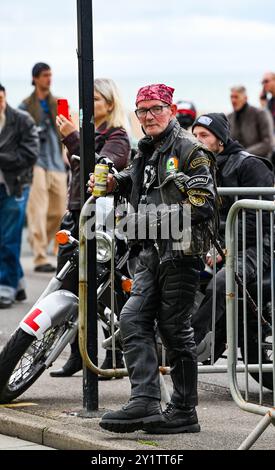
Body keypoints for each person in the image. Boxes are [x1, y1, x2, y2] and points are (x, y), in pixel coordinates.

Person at [88, 83, 219, 434]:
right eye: (142, 111)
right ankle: (144, 400)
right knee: (131, 319)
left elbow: (204, 204)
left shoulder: (192, 150)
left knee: (175, 330)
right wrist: (115, 183)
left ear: (171, 110)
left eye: (155, 109)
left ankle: (183, 411)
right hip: (149, 253)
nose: (148, 117)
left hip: (182, 253)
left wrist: (149, 221)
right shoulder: (145, 149)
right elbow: (139, 180)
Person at [50, 78, 131, 378]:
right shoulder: (89, 133)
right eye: (88, 98)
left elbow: (102, 171)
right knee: (68, 288)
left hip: (102, 221)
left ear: (110, 103)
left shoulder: (119, 137)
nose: (90, 103)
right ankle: (77, 354)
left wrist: (73, 139)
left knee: (105, 292)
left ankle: (114, 353)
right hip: (75, 215)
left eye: (96, 99)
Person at [191, 113, 274, 346]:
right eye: (194, 135)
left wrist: (227, 246)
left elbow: (259, 218)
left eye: (204, 135)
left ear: (220, 139)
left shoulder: (250, 165)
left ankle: (189, 345)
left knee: (222, 282)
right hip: (218, 244)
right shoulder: (201, 168)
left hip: (258, 245)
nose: (198, 140)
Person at [19, 63, 67, 272]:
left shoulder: (57, 103)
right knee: (37, 211)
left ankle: (48, 246)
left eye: (50, 75)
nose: (49, 79)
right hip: (35, 162)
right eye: (45, 75)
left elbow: (66, 129)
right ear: (36, 78)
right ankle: (39, 256)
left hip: (56, 160)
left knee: (59, 211)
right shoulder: (25, 106)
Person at [0, 84, 39, 308]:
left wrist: (3, 157)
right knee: (4, 238)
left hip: (15, 187)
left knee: (9, 238)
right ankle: (19, 282)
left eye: (1, 98)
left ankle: (5, 288)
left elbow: (30, 153)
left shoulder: (21, 119)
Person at [228, 85, 273, 158]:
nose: (233, 100)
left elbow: (268, 144)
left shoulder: (260, 114)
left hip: (260, 161)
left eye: (236, 97)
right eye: (231, 97)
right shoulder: (229, 117)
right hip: (235, 163)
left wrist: (243, 153)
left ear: (245, 98)